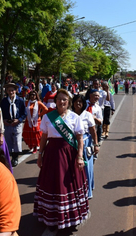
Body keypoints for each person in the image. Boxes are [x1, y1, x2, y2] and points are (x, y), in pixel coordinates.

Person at [34, 89, 89, 235]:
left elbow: (79, 139)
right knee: (52, 184)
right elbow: (44, 137)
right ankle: (52, 218)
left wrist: (80, 156)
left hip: (69, 155)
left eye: (65, 99)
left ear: (68, 102)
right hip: (52, 154)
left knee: (68, 185)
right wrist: (40, 155)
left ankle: (71, 218)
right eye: (59, 99)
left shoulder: (74, 117)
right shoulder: (48, 117)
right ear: (55, 101)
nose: (62, 102)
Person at [72, 94, 100, 199]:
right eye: (76, 101)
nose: (78, 103)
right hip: (73, 144)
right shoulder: (69, 114)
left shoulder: (87, 115)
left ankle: (87, 191)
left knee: (87, 167)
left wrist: (96, 144)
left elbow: (93, 131)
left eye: (80, 102)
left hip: (85, 143)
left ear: (83, 104)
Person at [0, 83, 27, 167]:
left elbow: (24, 113)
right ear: (7, 91)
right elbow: (1, 112)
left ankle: (15, 157)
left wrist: (18, 120)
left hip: (17, 123)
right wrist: (4, 120)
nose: (11, 92)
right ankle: (9, 156)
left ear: (15, 91)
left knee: (17, 140)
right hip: (7, 123)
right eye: (9, 90)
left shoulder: (20, 100)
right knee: (8, 141)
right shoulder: (4, 101)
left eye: (12, 90)